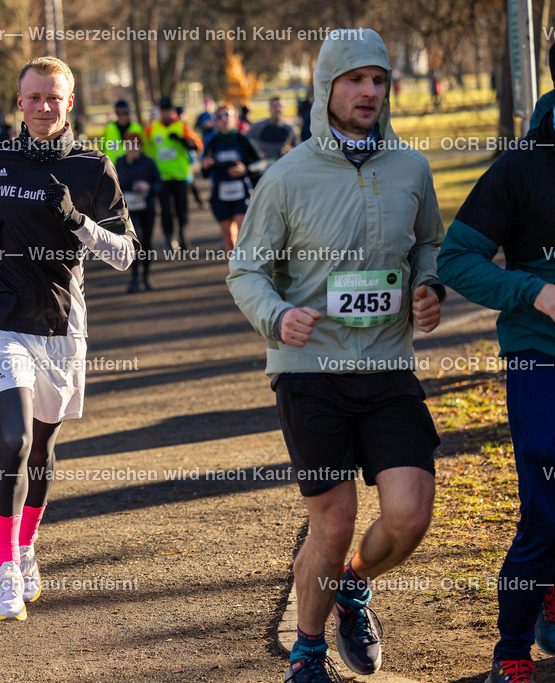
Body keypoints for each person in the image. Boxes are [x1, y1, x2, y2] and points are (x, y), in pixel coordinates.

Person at [226, 29, 446, 682]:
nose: (370, 92)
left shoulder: (411, 167)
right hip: (309, 370)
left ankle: (353, 584)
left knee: (409, 515)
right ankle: (308, 648)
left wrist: (427, 286)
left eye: (379, 80)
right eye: (356, 80)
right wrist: (276, 313)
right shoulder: (288, 177)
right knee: (335, 518)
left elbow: (429, 243)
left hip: (386, 364)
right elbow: (246, 270)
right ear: (327, 88)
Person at [0, 56, 136, 621]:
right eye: (32, 97)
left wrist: (78, 222)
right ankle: (5, 568)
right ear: (19, 102)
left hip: (61, 327)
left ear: (69, 102)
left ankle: (28, 548)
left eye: (52, 97)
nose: (42, 107)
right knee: (13, 439)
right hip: (0, 320)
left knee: (42, 446)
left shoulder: (93, 167)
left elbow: (126, 255)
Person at [436, 44, 555, 683]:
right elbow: (456, 260)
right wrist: (534, 291)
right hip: (541, 353)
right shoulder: (522, 168)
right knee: (547, 499)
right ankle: (511, 650)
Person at [201, 104, 263, 252]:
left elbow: (259, 164)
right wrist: (206, 165)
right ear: (216, 121)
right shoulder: (212, 142)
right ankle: (233, 272)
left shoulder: (242, 140)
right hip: (221, 194)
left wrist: (245, 169)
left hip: (241, 192)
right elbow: (204, 173)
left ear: (234, 118)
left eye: (227, 115)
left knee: (243, 233)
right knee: (229, 237)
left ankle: (245, 270)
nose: (223, 119)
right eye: (220, 116)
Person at [145, 96, 203, 251]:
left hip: (180, 176)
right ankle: (169, 238)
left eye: (167, 110)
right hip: (162, 177)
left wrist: (182, 140)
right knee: (165, 211)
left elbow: (197, 145)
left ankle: (182, 234)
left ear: (171, 111)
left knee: (181, 210)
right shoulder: (152, 128)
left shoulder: (181, 126)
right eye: (162, 111)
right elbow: (141, 145)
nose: (164, 113)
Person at [115, 131, 161, 292]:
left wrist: (148, 187)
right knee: (134, 242)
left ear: (140, 147)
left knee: (146, 243)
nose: (132, 148)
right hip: (128, 212)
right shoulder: (119, 162)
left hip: (147, 208)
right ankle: (134, 278)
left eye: (135, 145)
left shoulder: (148, 163)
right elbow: (114, 186)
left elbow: (159, 185)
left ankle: (146, 276)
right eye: (128, 145)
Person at [247, 96, 299, 165]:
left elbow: (298, 150)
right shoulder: (257, 127)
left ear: (284, 109)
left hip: (283, 165)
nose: (278, 109)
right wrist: (256, 152)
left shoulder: (290, 130)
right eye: (275, 106)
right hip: (263, 166)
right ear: (269, 109)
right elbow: (245, 143)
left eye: (280, 106)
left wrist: (291, 151)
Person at [101, 99, 144, 164]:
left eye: (125, 114)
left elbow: (144, 149)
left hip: (133, 167)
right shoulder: (109, 129)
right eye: (120, 114)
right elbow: (102, 148)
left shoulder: (137, 129)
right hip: (112, 168)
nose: (122, 117)